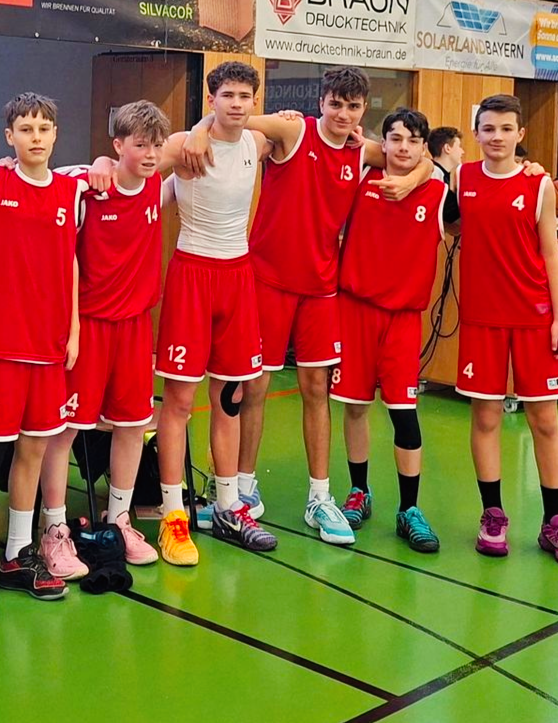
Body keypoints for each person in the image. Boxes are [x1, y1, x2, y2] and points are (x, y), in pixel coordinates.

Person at [184, 66, 432, 547]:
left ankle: (320, 496)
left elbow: (416, 161)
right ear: (322, 102)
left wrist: (411, 180)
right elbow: (235, 118)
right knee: (254, 386)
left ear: (363, 110)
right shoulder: (293, 131)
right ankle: (243, 485)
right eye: (335, 104)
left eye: (353, 107)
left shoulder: (360, 151)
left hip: (321, 289)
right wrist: (198, 128)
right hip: (268, 280)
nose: (343, 114)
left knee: (316, 388)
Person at [0, 92, 82, 621]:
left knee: (33, 451)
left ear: (55, 135)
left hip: (48, 346)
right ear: (9, 136)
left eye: (43, 128)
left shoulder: (71, 191)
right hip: (0, 345)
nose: (36, 137)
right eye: (25, 129)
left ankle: (17, 554)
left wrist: (73, 328)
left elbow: (70, 261)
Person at [152, 63, 284, 565]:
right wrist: (197, 131)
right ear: (211, 98)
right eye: (226, 95)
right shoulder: (183, 145)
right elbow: (133, 167)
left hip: (238, 275)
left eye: (244, 96)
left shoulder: (258, 141)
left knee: (230, 396)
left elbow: (297, 129)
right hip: (193, 272)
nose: (236, 103)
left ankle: (228, 506)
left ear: (254, 100)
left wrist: (208, 125)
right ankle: (173, 516)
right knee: (179, 401)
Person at [36, 100, 175, 577]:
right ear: (117, 145)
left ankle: (118, 520)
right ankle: (54, 529)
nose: (151, 154)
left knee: (133, 425)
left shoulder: (154, 179)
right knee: (65, 431)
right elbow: (31, 175)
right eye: (140, 145)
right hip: (89, 327)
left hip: (135, 327)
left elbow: (201, 134)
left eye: (156, 145)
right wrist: (97, 164)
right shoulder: (86, 186)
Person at [452, 94, 558, 568]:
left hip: (533, 317)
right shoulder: (461, 178)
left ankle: (555, 522)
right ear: (476, 133)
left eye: (506, 128)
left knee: (545, 420)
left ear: (520, 134)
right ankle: (493, 515)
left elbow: (551, 253)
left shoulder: (539, 184)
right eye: (488, 128)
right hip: (482, 319)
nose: (497, 137)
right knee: (486, 418)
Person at [329, 109, 452, 552]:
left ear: (424, 148)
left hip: (403, 319)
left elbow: (461, 207)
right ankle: (359, 490)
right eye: (395, 138)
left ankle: (409, 509)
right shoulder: (363, 177)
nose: (403, 147)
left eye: (413, 140)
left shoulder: (439, 192)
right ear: (383, 143)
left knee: (404, 412)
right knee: (355, 407)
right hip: (355, 310)